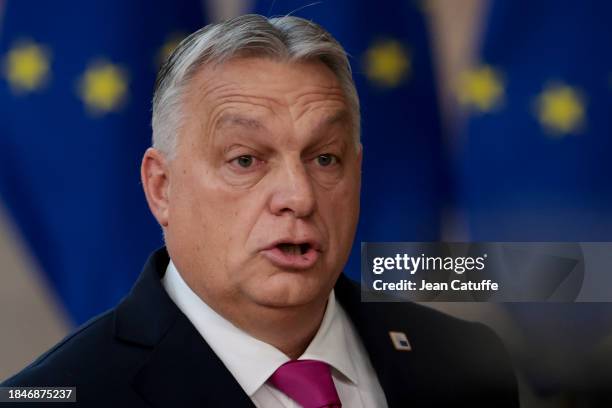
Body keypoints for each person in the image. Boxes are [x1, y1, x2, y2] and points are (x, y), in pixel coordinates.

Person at [2, 14, 518, 407]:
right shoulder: (60, 395)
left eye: (324, 158)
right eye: (245, 159)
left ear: (357, 174)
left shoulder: (468, 364)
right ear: (161, 188)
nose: (299, 196)